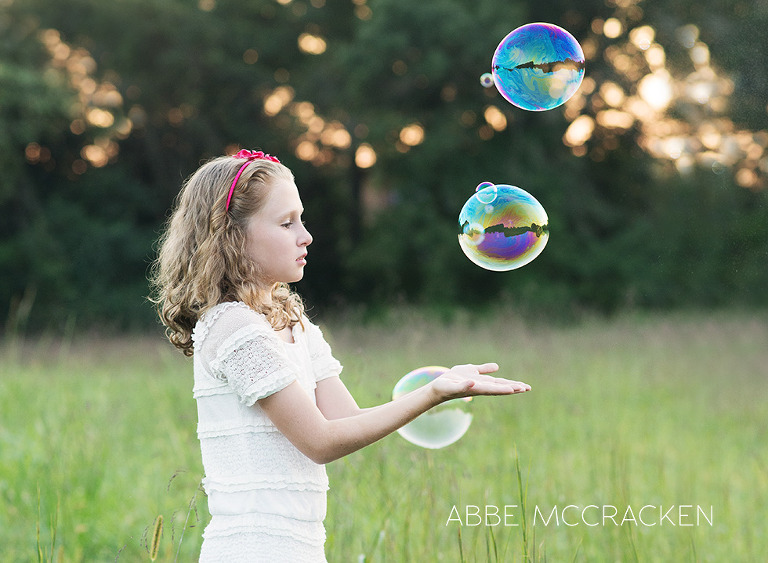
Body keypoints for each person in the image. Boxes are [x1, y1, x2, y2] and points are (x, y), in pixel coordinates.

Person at [149, 149, 531, 562]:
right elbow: (319, 441)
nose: (306, 235)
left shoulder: (294, 320)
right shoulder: (232, 327)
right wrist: (432, 394)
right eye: (286, 222)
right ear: (232, 236)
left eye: (302, 218)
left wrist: (441, 387)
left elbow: (345, 422)